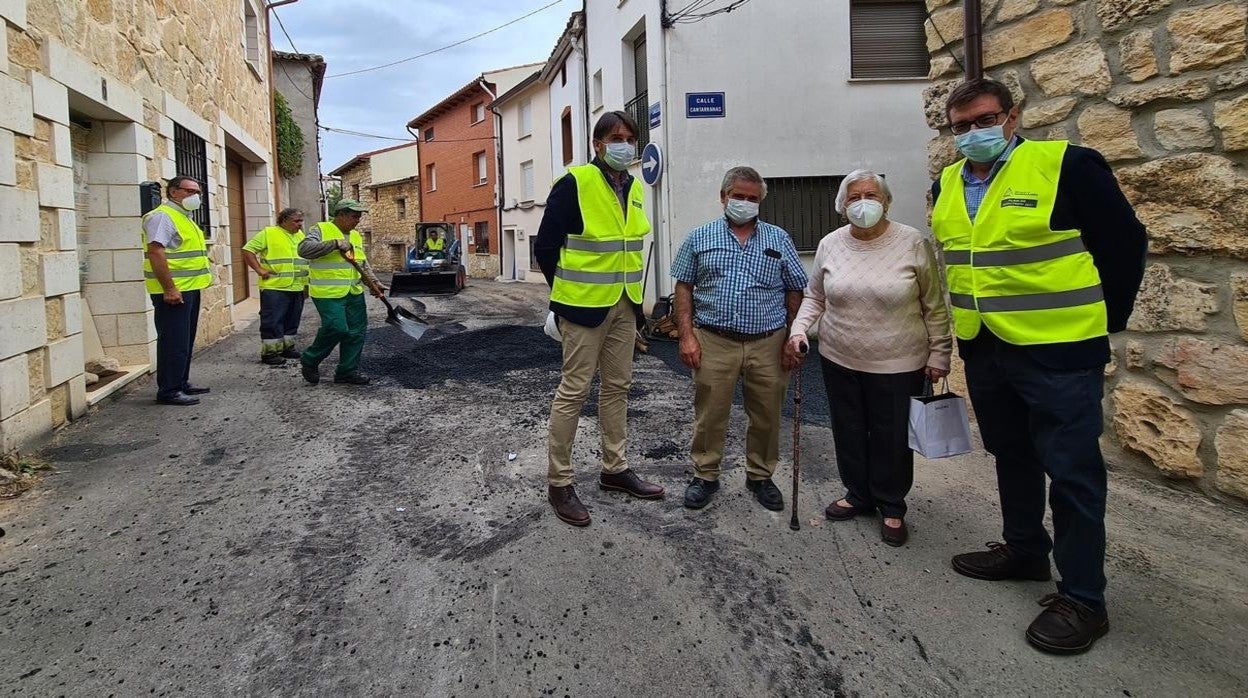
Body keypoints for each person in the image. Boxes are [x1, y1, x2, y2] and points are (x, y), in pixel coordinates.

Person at [931, 78, 1146, 654]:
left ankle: (1083, 598)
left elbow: (1124, 244)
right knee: (1011, 453)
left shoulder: (1067, 166)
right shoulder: (945, 183)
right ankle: (1024, 549)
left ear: (1011, 115)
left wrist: (1105, 319)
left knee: (1072, 470)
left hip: (1058, 349)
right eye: (960, 126)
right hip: (986, 346)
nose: (972, 134)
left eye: (983, 120)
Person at [787, 170, 951, 546]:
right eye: (854, 196)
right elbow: (815, 296)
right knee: (847, 429)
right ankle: (858, 494)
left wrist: (940, 351)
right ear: (842, 206)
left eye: (871, 195)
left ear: (886, 201)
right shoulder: (830, 244)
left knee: (892, 436)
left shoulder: (911, 242)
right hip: (838, 356)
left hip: (899, 360)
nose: (863, 203)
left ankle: (891, 504)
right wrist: (799, 330)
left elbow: (934, 304)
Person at [533, 110, 664, 527]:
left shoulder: (635, 188)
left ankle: (615, 469)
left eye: (629, 137)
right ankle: (560, 482)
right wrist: (563, 297)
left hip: (626, 305)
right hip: (582, 307)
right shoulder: (576, 183)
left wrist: (638, 306)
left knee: (618, 388)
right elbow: (546, 247)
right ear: (597, 145)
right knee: (574, 391)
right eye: (615, 138)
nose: (623, 144)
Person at [672, 166, 808, 512]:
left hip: (769, 341)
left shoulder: (778, 238)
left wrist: (794, 336)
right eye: (739, 196)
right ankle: (705, 474)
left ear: (761, 200)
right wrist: (686, 336)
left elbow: (796, 288)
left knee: (767, 414)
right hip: (714, 340)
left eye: (752, 198)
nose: (745, 203)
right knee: (710, 413)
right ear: (723, 197)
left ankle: (760, 475)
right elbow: (683, 287)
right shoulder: (699, 237)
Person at [142, 175, 213, 406]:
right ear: (173, 192)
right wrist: (170, 288)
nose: (195, 196)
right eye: (189, 191)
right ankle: (169, 390)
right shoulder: (163, 216)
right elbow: (156, 252)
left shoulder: (185, 217)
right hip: (174, 292)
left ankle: (181, 381)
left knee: (184, 340)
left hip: (189, 289)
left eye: (198, 193)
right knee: (173, 341)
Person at [298, 199, 385, 386]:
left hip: (353, 292)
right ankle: (310, 359)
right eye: (354, 216)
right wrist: (335, 243)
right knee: (336, 328)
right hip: (327, 292)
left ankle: (347, 371)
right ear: (340, 215)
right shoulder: (320, 230)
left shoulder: (355, 236)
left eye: (359, 217)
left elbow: (361, 263)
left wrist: (374, 282)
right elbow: (304, 250)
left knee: (356, 333)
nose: (358, 221)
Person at [241, 208, 309, 365]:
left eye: (301, 221)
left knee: (292, 320)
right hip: (275, 286)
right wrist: (259, 269)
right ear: (284, 220)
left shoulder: (300, 236)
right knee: (273, 320)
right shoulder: (269, 233)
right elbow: (247, 250)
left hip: (297, 286)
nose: (300, 224)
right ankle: (270, 353)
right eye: (296, 221)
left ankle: (287, 348)